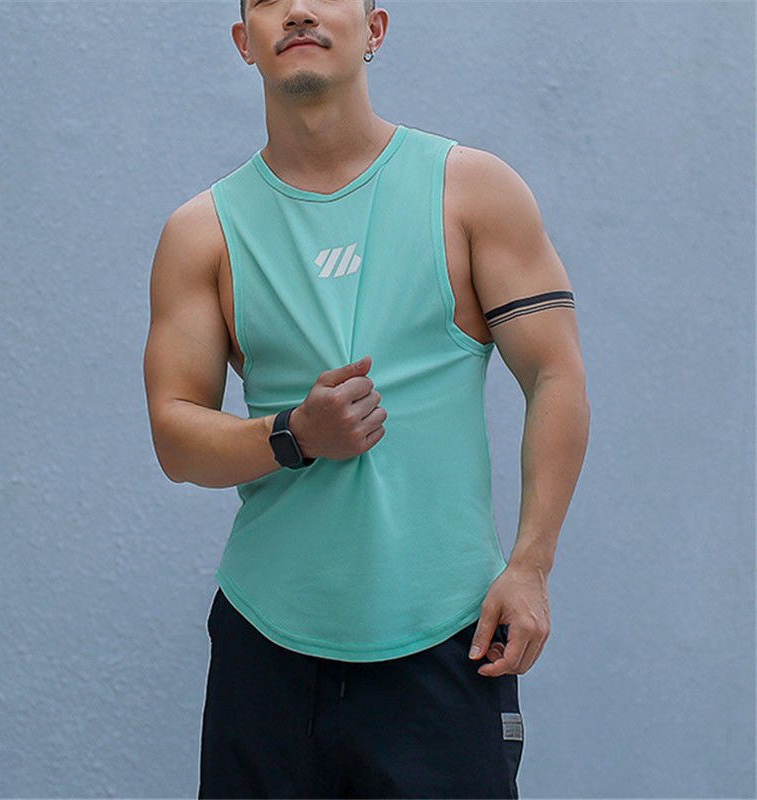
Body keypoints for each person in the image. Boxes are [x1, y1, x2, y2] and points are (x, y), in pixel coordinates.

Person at [143, 1, 590, 797]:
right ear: (244, 43)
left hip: (446, 639)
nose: (298, 10)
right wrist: (293, 434)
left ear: (375, 29)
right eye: (267, 0)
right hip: (266, 644)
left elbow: (556, 375)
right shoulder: (202, 232)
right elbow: (175, 437)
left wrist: (530, 566)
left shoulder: (470, 191)